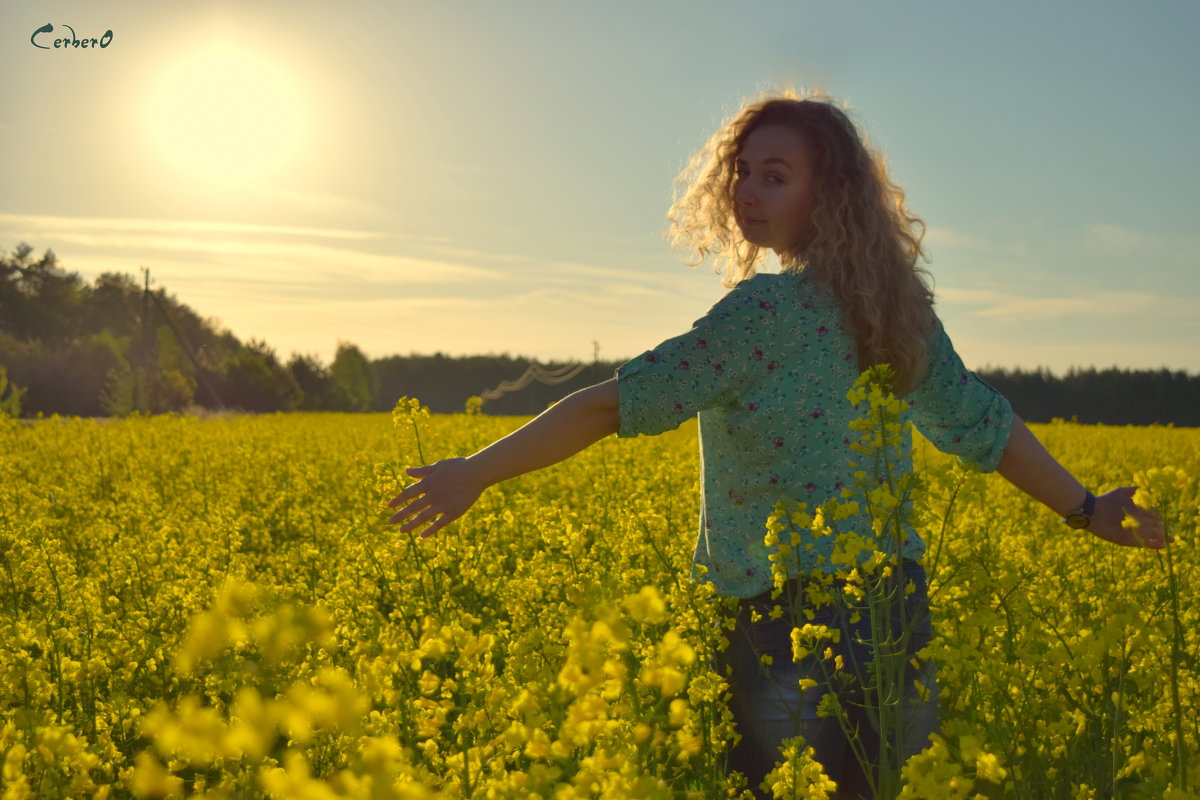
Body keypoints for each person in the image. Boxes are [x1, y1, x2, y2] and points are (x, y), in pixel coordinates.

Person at [386, 91, 1165, 799]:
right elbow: (982, 427)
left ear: (825, 196)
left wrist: (476, 472)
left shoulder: (762, 313)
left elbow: (610, 407)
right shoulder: (896, 310)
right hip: (894, 610)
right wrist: (1087, 508)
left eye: (775, 176)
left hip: (785, 616)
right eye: (743, 171)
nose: (747, 191)